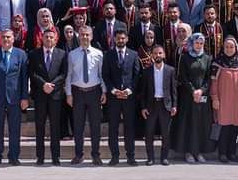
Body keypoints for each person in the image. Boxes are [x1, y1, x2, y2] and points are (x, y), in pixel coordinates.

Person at [0, 28, 29, 166]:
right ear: (0, 39)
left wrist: (24, 97)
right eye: (3, 37)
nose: (6, 39)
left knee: (14, 129)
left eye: (8, 37)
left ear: (13, 39)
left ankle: (13, 156)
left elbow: (24, 78)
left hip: (15, 97)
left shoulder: (21, 54)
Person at [66, 25, 106, 165]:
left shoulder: (98, 54)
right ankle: (79, 154)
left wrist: (104, 91)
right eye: (82, 35)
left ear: (91, 36)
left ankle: (96, 154)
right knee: (78, 126)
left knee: (95, 125)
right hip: (78, 93)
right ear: (79, 37)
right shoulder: (72, 54)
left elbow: (101, 74)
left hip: (94, 92)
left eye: (87, 35)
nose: (84, 37)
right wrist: (69, 94)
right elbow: (69, 75)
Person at [102, 29, 142, 166]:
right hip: (113, 97)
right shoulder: (108, 55)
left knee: (129, 127)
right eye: (118, 38)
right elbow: (105, 75)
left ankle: (130, 156)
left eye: (123, 38)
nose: (120, 40)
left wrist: (129, 90)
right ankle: (115, 156)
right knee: (113, 127)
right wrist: (113, 90)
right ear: (114, 39)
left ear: (127, 39)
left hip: (128, 97)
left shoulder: (134, 54)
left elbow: (137, 75)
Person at [29, 28, 67, 165]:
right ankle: (40, 157)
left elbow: (63, 73)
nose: (49, 39)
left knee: (55, 127)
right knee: (40, 127)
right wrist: (43, 84)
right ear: (42, 38)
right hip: (40, 95)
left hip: (55, 96)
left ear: (56, 39)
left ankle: (56, 157)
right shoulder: (34, 54)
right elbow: (32, 73)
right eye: (46, 37)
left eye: (51, 37)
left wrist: (52, 85)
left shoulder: (62, 54)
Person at [174, 33, 213, 163]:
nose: (199, 45)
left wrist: (201, 90)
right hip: (188, 96)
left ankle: (199, 152)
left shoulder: (207, 58)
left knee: (201, 124)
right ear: (192, 43)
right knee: (189, 124)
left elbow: (208, 78)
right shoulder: (185, 57)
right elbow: (183, 77)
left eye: (201, 43)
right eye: (196, 43)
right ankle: (189, 152)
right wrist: (193, 91)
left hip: (202, 97)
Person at [209, 35, 238, 163]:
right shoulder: (218, 63)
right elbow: (214, 83)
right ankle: (222, 153)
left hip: (237, 100)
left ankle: (232, 153)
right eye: (226, 47)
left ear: (236, 48)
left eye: (231, 47)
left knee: (235, 127)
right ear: (223, 48)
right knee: (224, 127)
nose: (229, 49)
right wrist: (215, 98)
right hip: (223, 99)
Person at [140, 44, 177, 165]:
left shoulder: (170, 70)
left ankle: (164, 157)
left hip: (165, 105)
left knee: (166, 134)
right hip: (151, 105)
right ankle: (150, 158)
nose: (158, 55)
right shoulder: (146, 71)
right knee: (149, 133)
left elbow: (173, 90)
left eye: (160, 53)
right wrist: (143, 107)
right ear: (152, 55)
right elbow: (143, 92)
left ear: (164, 55)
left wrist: (174, 105)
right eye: (155, 53)